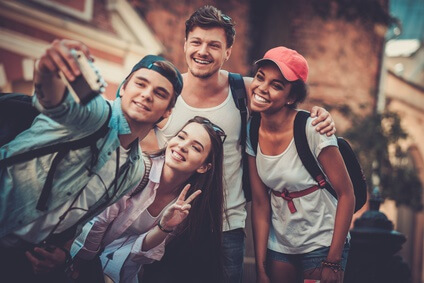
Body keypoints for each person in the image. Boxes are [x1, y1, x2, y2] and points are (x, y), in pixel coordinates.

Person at [141, 5, 337, 283]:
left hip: (225, 229)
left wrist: (319, 112)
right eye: (196, 42)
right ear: (184, 44)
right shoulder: (167, 93)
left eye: (214, 45)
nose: (203, 51)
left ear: (227, 52)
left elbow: (282, 98)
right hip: (168, 226)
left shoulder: (243, 90)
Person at [0, 39, 183, 282]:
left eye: (160, 93)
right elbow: (56, 99)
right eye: (141, 83)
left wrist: (63, 253)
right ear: (124, 88)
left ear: (167, 111)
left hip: (21, 258)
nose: (147, 94)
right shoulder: (94, 113)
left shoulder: (134, 171)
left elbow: (78, 217)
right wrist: (47, 67)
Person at [69, 116, 225, 283]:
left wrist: (164, 227)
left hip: (123, 271)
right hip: (81, 260)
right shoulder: (137, 171)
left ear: (203, 167)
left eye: (195, 147)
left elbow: (141, 255)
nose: (182, 146)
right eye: (181, 136)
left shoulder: (186, 205)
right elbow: (98, 222)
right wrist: (83, 264)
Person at [247, 46, 355, 283]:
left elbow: (347, 194)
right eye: (260, 77)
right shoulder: (252, 129)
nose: (262, 88)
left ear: (292, 97)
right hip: (281, 243)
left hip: (322, 242)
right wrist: (260, 267)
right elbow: (261, 203)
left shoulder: (313, 129)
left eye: (277, 85)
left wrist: (333, 260)